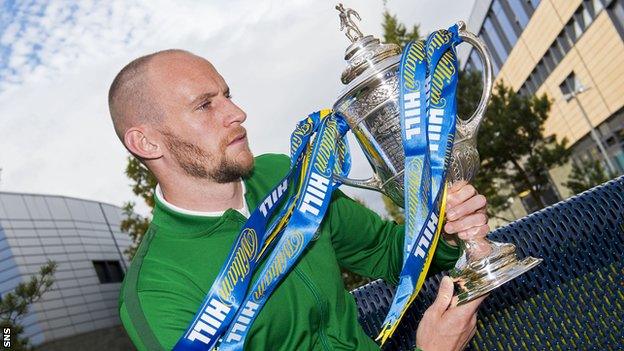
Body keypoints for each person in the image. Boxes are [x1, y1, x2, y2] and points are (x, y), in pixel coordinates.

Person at [109, 49, 490, 351]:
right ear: (145, 142)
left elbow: (387, 251)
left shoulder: (284, 176)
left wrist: (447, 229)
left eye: (228, 95)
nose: (237, 114)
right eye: (204, 105)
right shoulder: (156, 290)